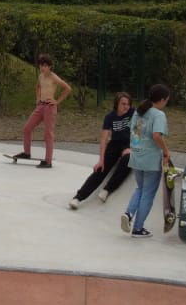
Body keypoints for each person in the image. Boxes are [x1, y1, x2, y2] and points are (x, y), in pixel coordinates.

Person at [122, 83, 173, 238]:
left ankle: (128, 213)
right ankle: (138, 228)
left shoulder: (139, 112)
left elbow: (136, 135)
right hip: (151, 159)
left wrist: (138, 149)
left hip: (137, 156)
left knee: (140, 188)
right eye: (167, 100)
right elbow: (157, 136)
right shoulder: (158, 115)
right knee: (148, 193)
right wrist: (166, 151)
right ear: (162, 99)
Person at [67, 92, 134, 210]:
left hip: (128, 144)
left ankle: (107, 189)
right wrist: (101, 160)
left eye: (128, 104)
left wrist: (132, 148)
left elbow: (140, 130)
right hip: (114, 144)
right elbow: (104, 139)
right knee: (100, 169)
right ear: (116, 104)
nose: (126, 107)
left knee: (129, 160)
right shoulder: (110, 117)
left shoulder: (133, 112)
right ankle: (78, 198)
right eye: (123, 104)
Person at [7, 54, 70, 168]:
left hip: (50, 107)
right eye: (41, 65)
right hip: (40, 106)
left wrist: (57, 101)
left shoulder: (54, 77)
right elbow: (37, 87)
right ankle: (27, 153)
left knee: (48, 134)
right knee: (27, 128)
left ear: (50, 66)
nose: (42, 68)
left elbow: (67, 88)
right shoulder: (41, 76)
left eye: (45, 65)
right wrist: (38, 98)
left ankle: (48, 161)